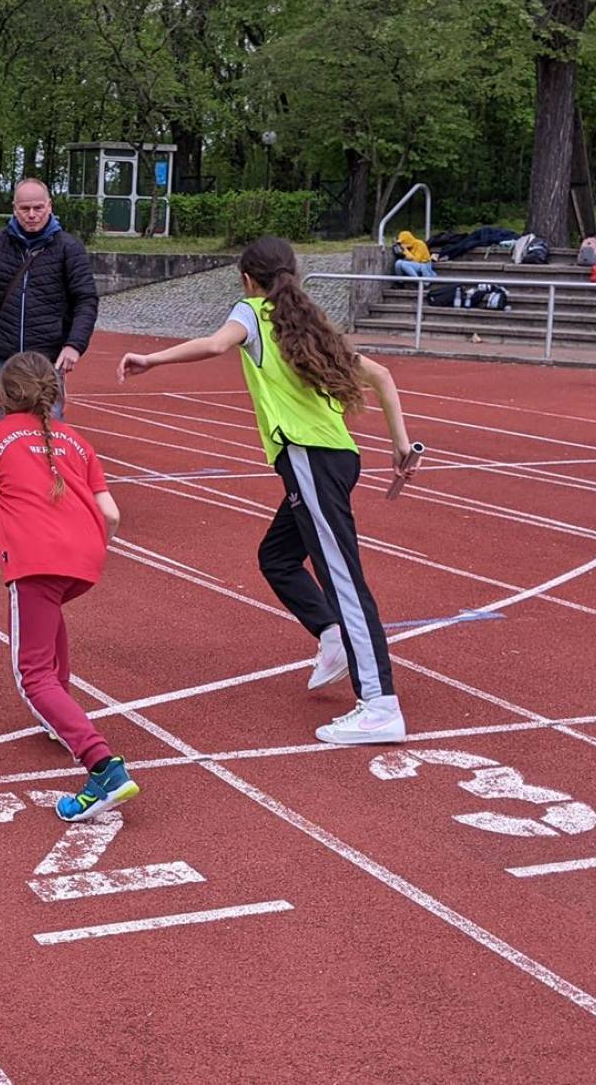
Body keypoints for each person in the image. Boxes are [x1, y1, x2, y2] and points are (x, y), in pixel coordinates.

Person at [115, 237, 418, 746]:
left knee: (343, 578)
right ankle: (332, 636)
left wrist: (152, 358)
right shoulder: (311, 323)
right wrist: (401, 445)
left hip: (310, 459)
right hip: (336, 459)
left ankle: (380, 704)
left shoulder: (253, 312)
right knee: (277, 557)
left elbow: (216, 344)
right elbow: (383, 376)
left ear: (247, 280)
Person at [0, 352, 136, 821]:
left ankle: (103, 767)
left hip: (34, 562)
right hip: (85, 559)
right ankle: (62, 722)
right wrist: (87, 547)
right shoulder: (77, 440)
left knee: (31, 674)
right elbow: (111, 514)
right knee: (49, 622)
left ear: (2, 396)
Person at [0, 178, 98, 410]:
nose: (32, 215)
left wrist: (74, 345)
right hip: (7, 356)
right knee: (8, 423)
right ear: (14, 208)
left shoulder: (69, 248)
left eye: (38, 208)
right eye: (25, 208)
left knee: (49, 422)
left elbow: (86, 300)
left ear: (49, 206)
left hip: (47, 357)